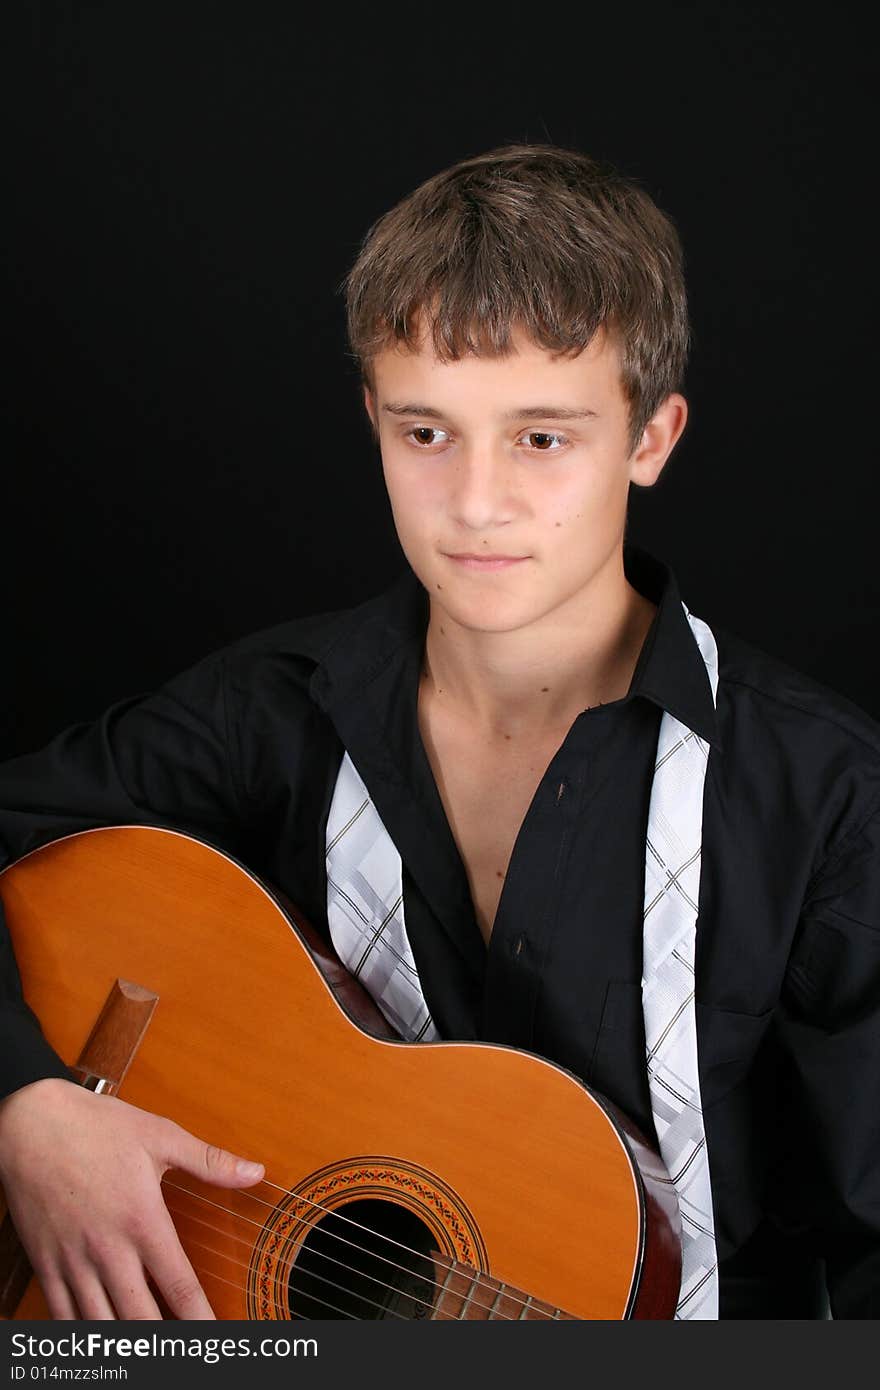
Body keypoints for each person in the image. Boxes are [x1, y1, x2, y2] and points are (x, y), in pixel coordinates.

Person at [0, 143, 878, 1321]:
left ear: (652, 438)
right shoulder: (270, 711)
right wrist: (31, 1107)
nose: (473, 502)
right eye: (425, 433)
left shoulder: (823, 800)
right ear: (371, 417)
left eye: (541, 437)